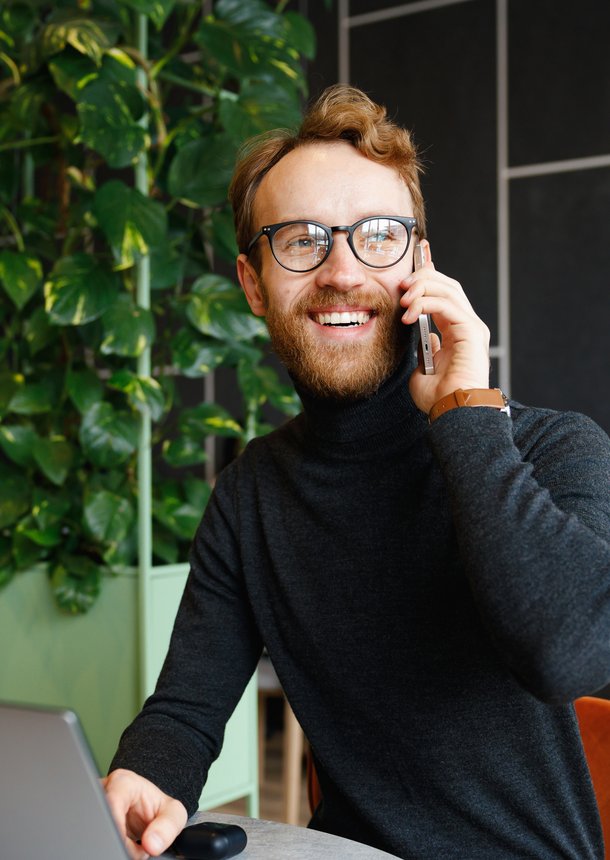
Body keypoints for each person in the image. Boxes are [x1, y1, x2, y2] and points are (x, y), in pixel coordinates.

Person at [104, 85, 610, 860]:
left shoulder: (555, 448)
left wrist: (467, 415)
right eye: (302, 241)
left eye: (377, 235)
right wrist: (144, 776)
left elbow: (567, 652)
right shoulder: (252, 495)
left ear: (421, 265)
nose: (341, 271)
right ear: (252, 284)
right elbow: (185, 712)